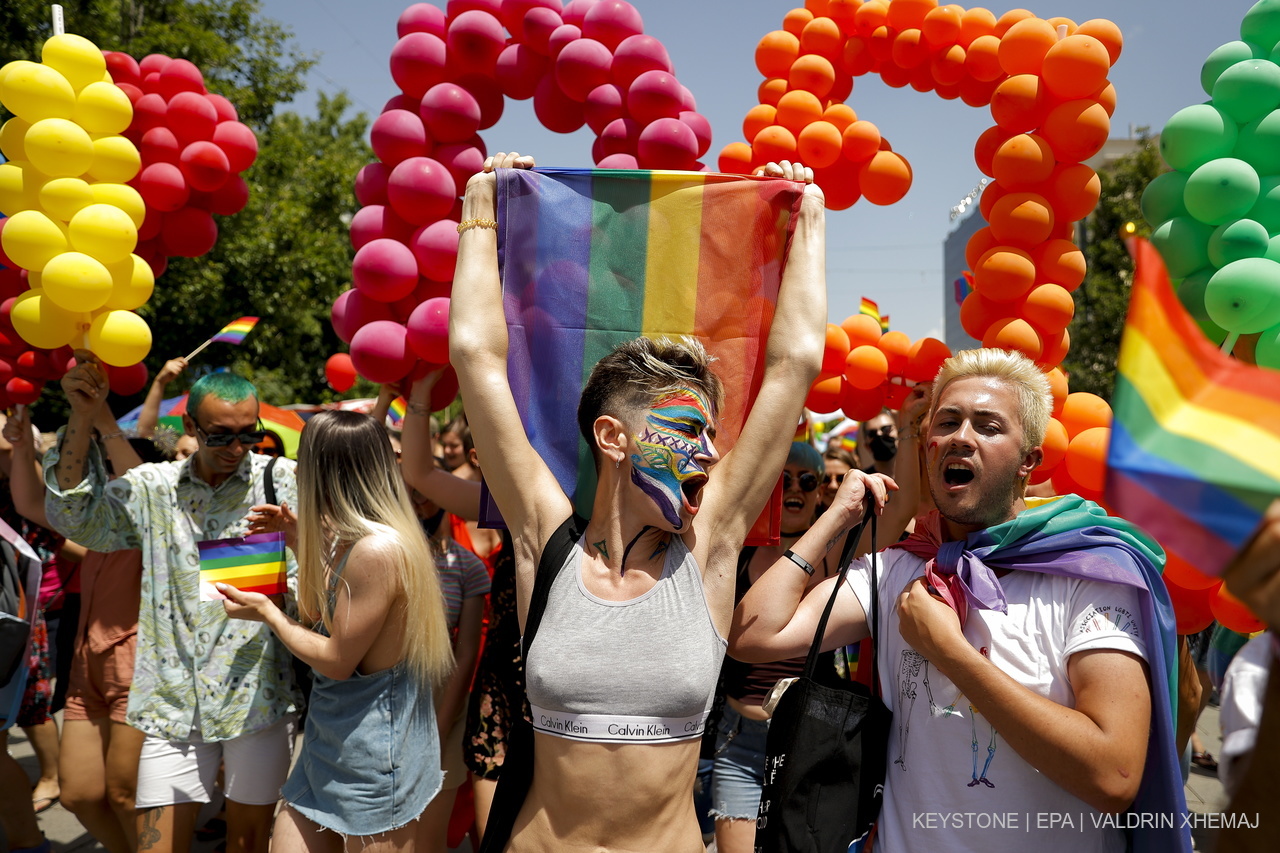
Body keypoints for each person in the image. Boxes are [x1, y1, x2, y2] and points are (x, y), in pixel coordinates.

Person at [449, 152, 826, 852]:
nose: (712, 454)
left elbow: (793, 363)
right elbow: (475, 353)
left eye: (713, 435)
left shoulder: (708, 549)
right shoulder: (544, 540)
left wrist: (807, 222)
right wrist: (479, 212)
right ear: (612, 436)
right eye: (689, 431)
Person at [731, 347, 1187, 853]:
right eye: (946, 422)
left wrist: (950, 653)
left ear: (1028, 460)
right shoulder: (897, 569)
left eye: (988, 426)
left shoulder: (1092, 574)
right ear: (927, 446)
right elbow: (754, 636)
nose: (961, 438)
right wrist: (834, 518)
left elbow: (1114, 775)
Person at [44, 356, 303, 853]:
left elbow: (328, 564)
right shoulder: (155, 487)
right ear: (189, 426)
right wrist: (81, 416)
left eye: (248, 434)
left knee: (247, 845)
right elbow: (72, 517)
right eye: (220, 435)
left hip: (256, 700)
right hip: (172, 705)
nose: (236, 448)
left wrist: (296, 543)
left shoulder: (282, 479)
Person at [218, 410, 454, 853]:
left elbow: (338, 659)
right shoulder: (355, 539)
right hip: (331, 742)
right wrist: (297, 539)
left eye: (305, 463)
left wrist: (270, 613)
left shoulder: (377, 549)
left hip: (375, 755)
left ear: (325, 470)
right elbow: (327, 609)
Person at [857, 408, 898, 475]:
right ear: (867, 446)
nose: (879, 434)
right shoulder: (864, 480)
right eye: (872, 433)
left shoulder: (917, 471)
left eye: (886, 429)